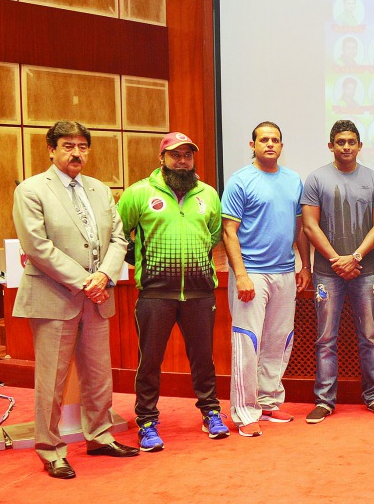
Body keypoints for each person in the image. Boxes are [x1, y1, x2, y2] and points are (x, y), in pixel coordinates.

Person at [12, 121, 137, 479]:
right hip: (55, 296)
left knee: (98, 375)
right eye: (68, 145)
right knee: (51, 379)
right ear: (51, 149)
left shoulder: (99, 189)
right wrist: (86, 281)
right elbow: (37, 246)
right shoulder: (32, 190)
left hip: (97, 296)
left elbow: (118, 237)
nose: (76, 153)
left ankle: (99, 436)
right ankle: (50, 449)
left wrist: (104, 276)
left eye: (82, 146)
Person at [118, 132, 229, 451]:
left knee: (203, 359)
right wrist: (142, 261)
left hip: (200, 293)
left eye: (187, 156)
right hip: (155, 294)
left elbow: (213, 236)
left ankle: (211, 413)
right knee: (149, 361)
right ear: (161, 158)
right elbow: (119, 232)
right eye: (175, 155)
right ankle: (148, 422)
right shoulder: (138, 193)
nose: (182, 161)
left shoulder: (208, 194)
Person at [222, 121, 312, 436]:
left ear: (281, 146)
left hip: (285, 271)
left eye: (275, 140)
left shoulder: (292, 180)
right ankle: (245, 413)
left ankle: (268, 401)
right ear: (253, 145)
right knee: (248, 342)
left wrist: (305, 266)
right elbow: (228, 231)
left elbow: (299, 227)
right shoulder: (240, 181)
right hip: (252, 274)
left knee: (279, 340)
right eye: (264, 139)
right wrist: (241, 275)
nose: (270, 144)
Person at [301, 120, 374, 423]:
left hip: (365, 271)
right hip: (327, 272)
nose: (346, 147)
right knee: (326, 338)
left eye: (352, 142)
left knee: (370, 335)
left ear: (360, 146)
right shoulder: (316, 179)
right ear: (331, 146)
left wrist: (353, 257)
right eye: (340, 142)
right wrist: (337, 260)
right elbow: (310, 225)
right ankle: (324, 401)